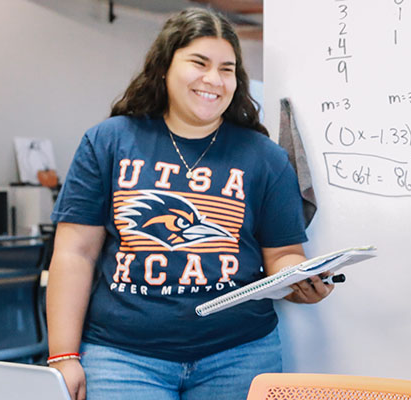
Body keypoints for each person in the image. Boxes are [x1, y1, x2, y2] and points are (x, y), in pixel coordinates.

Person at [46, 8, 332, 400]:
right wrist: (63, 355)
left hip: (239, 354)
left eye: (227, 69)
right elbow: (74, 254)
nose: (213, 79)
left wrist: (301, 278)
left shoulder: (265, 157)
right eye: (199, 63)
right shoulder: (108, 142)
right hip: (122, 358)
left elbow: (282, 254)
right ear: (164, 67)